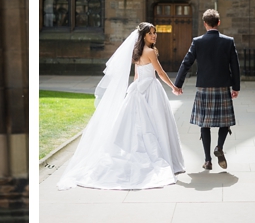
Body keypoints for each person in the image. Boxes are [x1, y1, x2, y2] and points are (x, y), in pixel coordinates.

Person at [57, 22, 185, 190]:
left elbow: (137, 75)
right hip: (151, 90)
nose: (154, 36)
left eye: (155, 33)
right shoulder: (151, 52)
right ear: (143, 36)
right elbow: (160, 73)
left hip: (139, 89)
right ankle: (161, 157)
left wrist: (134, 90)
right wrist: (174, 87)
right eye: (150, 33)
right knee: (157, 123)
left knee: (136, 126)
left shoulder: (137, 52)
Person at [174, 9, 240, 170]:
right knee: (225, 121)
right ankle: (219, 147)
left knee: (205, 124)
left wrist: (178, 84)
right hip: (223, 86)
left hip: (204, 88)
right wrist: (236, 87)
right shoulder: (228, 41)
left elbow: (186, 63)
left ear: (205, 24)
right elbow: (235, 66)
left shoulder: (197, 41)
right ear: (218, 22)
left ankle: (207, 160)